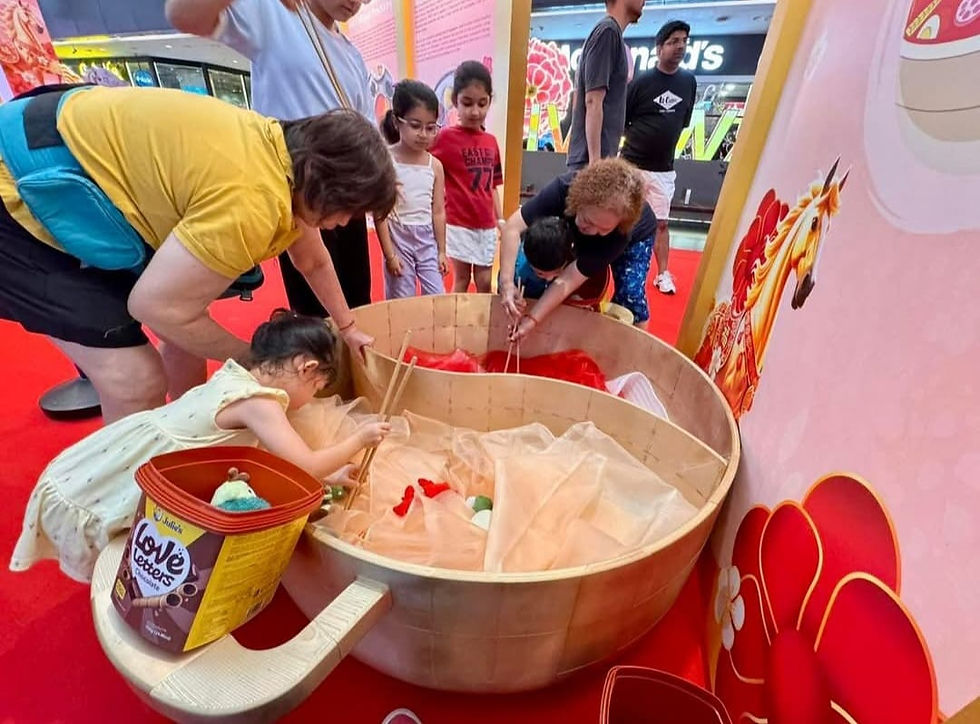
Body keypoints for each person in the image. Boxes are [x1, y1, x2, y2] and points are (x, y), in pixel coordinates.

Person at [0, 84, 396, 423]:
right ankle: (126, 503)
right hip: (21, 183)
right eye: (348, 209)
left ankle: (188, 435)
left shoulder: (283, 157)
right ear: (327, 186)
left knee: (186, 333)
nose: (344, 223)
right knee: (135, 378)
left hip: (60, 155)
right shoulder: (252, 201)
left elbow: (312, 259)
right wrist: (258, 359)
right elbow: (154, 306)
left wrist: (347, 327)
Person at [9, 309, 391, 583]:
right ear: (306, 368)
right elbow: (304, 463)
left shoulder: (235, 375)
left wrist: (331, 477)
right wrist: (359, 439)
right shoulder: (261, 403)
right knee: (127, 531)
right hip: (143, 465)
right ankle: (131, 589)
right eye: (317, 388)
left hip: (125, 449)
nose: (310, 399)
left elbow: (274, 460)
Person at [166, 0, 378, 315]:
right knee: (313, 313)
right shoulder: (279, 15)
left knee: (359, 304)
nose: (355, 3)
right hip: (294, 195)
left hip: (344, 198)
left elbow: (367, 135)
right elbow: (183, 15)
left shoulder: (352, 55)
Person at [498, 159, 650, 340]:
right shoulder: (563, 189)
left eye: (603, 229)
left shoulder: (618, 235)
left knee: (630, 296)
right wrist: (506, 283)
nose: (593, 232)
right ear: (578, 201)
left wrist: (532, 320)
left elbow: (569, 279)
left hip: (636, 237)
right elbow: (512, 228)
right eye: (588, 220)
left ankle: (636, 345)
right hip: (582, 234)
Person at [622, 20, 697, 295]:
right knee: (622, 218)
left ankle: (663, 273)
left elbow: (684, 121)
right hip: (632, 165)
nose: (680, 46)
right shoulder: (641, 82)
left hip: (664, 169)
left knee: (661, 222)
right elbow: (623, 121)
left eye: (684, 41)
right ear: (659, 47)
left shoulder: (688, 82)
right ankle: (614, 266)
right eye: (673, 41)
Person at [430, 61, 504, 294]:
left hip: (486, 225)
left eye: (482, 104)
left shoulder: (491, 141)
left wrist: (500, 220)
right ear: (455, 102)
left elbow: (492, 186)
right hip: (458, 224)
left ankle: (484, 328)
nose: (475, 112)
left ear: (490, 100)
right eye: (467, 103)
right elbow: (425, 166)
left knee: (484, 282)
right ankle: (454, 329)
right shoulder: (444, 138)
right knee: (461, 280)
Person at [377, 79, 448, 299]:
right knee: (401, 298)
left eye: (431, 127)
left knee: (437, 296)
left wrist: (442, 251)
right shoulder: (386, 160)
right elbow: (380, 214)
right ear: (397, 122)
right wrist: (389, 255)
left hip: (427, 239)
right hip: (398, 237)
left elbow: (438, 211)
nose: (424, 134)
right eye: (415, 126)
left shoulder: (434, 165)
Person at [565, 0, 644, 170]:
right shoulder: (608, 32)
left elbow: (580, 95)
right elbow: (592, 100)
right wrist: (596, 164)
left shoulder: (609, 32)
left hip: (593, 161)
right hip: (592, 163)